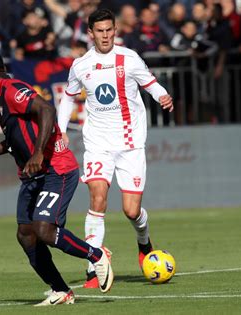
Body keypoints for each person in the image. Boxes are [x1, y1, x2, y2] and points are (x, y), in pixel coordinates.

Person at [0, 51, 114, 306]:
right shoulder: (1, 99)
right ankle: (61, 291)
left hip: (56, 169)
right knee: (26, 234)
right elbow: (15, 140)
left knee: (44, 229)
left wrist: (40, 152)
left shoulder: (12, 89)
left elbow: (46, 109)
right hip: (33, 175)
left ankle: (96, 255)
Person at [57, 9, 174, 288]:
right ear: (90, 33)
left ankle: (144, 244)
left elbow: (150, 83)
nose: (106, 35)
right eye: (100, 31)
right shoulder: (81, 65)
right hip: (98, 143)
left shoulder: (129, 58)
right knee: (97, 198)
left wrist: (162, 96)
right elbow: (68, 98)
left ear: (115, 30)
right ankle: (92, 265)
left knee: (132, 211)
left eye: (109, 30)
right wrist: (60, 131)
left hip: (131, 143)